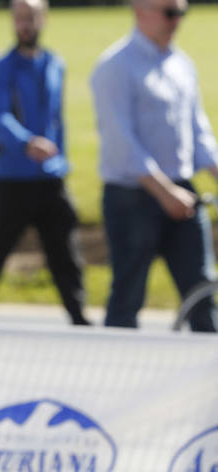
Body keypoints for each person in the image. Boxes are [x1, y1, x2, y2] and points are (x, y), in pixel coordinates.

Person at [0, 0, 90, 326]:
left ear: (43, 20)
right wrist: (28, 142)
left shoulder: (55, 64)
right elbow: (1, 117)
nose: (25, 25)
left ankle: (79, 316)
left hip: (51, 177)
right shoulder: (2, 68)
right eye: (19, 19)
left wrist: (62, 160)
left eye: (31, 18)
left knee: (64, 251)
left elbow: (58, 120)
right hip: (14, 177)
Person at [91, 0, 218, 332]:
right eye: (168, 12)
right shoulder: (115, 67)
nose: (176, 20)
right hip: (133, 197)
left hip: (182, 190)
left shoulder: (182, 64)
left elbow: (197, 131)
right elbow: (122, 143)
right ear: (140, 9)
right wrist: (164, 192)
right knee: (129, 295)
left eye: (180, 12)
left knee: (202, 291)